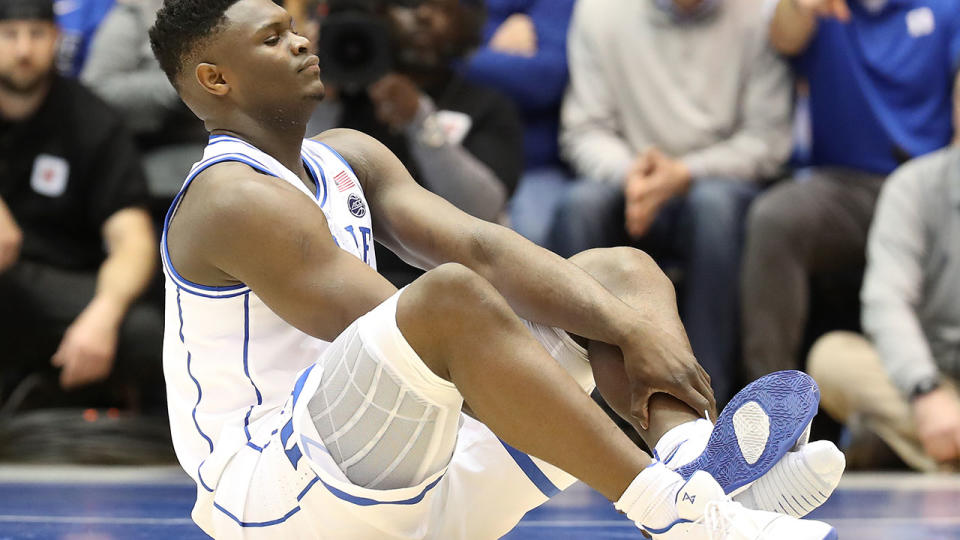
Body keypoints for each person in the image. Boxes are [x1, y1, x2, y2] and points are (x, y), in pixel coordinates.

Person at [148, 0, 844, 537]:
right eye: (272, 37)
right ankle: (679, 512)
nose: (302, 40)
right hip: (277, 500)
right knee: (448, 302)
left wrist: (627, 327)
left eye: (295, 25)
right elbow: (404, 325)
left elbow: (485, 247)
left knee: (617, 276)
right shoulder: (230, 197)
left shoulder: (346, 154)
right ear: (215, 79)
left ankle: (698, 468)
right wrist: (596, 369)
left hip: (405, 480)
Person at [548, 0, 792, 404]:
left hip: (715, 179)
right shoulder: (599, 11)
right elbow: (585, 130)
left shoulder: (760, 14)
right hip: (628, 179)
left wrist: (684, 173)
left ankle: (708, 405)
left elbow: (767, 140)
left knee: (714, 210)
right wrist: (635, 177)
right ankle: (580, 405)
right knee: (579, 206)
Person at [742, 0, 960, 381]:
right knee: (775, 218)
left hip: (928, 184)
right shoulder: (820, 10)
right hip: (845, 188)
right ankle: (768, 404)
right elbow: (783, 36)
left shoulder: (946, 9)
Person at [0, 0, 161, 408]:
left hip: (60, 284)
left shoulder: (90, 121)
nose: (23, 50)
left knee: (145, 332)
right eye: (10, 35)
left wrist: (102, 315)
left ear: (56, 39)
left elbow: (134, 241)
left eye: (35, 35)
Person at [307, 0, 522, 285]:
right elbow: (300, 188)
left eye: (442, 8)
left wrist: (420, 120)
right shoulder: (342, 95)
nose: (422, 16)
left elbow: (484, 209)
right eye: (410, 4)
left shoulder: (487, 104)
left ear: (468, 22)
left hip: (450, 277)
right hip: (349, 275)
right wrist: (318, 100)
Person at [807, 137, 960, 472]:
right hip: (931, 378)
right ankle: (936, 445)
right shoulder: (914, 185)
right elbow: (886, 300)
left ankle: (915, 451)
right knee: (831, 358)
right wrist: (925, 390)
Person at [460, 0, 576, 247]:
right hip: (455, 156)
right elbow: (412, 54)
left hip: (533, 167)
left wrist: (460, 56)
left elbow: (545, 80)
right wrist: (497, 56)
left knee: (534, 240)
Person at [81, 0, 208, 198]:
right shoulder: (135, 16)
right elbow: (97, 90)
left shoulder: (236, 11)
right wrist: (180, 87)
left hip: (232, 153)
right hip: (154, 161)